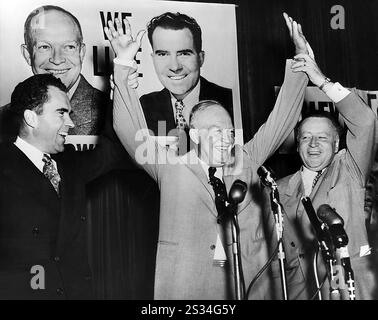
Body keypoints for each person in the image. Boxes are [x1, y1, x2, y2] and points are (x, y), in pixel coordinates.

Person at [104, 14, 308, 299]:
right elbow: (128, 127)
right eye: (215, 131)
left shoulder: (245, 159)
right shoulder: (171, 168)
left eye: (228, 131)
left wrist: (301, 60)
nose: (226, 138)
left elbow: (280, 120)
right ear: (196, 136)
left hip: (244, 282)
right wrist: (124, 63)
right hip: (189, 285)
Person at [271, 14, 377, 300]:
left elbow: (365, 121)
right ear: (297, 144)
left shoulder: (349, 167)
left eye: (322, 138)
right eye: (306, 137)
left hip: (348, 288)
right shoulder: (278, 189)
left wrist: (320, 80)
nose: (313, 144)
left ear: (337, 142)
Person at [0, 74, 124, 299]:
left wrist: (122, 75)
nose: (71, 123)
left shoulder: (70, 162)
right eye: (61, 113)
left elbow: (112, 148)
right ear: (31, 118)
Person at [0, 5, 108, 142]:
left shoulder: (111, 116)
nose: (57, 59)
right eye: (44, 47)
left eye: (69, 47)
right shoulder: (4, 119)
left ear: (81, 52)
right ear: (27, 55)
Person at [140, 12, 233, 137]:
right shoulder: (144, 107)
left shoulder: (230, 101)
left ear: (201, 58)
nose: (175, 67)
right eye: (163, 54)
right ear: (153, 59)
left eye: (184, 53)